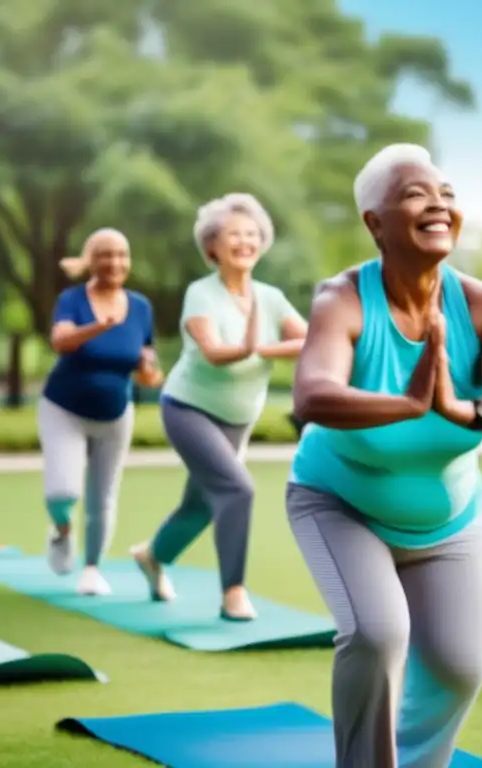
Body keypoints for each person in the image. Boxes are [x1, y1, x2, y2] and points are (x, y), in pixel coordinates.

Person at [287, 144, 482, 768]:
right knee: (377, 635)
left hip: (448, 519)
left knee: (459, 667)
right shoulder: (343, 298)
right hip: (341, 503)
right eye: (414, 194)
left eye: (447, 194)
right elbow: (313, 394)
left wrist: (468, 410)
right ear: (375, 223)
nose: (438, 204)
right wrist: (407, 402)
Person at [130, 192, 307, 621]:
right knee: (237, 489)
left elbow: (310, 340)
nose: (245, 242)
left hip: (238, 417)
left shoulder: (271, 297)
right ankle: (234, 594)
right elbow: (211, 350)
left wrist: (258, 347)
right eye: (234, 235)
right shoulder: (201, 294)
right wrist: (247, 348)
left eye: (252, 234)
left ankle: (152, 556)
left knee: (201, 505)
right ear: (213, 246)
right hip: (189, 408)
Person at [40, 228, 162, 596]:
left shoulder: (140, 307)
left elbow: (150, 371)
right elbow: (60, 341)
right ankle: (62, 530)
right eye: (106, 254)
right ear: (91, 260)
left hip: (116, 414)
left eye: (122, 254)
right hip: (64, 408)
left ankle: (92, 568)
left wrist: (148, 369)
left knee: (102, 497)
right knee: (63, 491)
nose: (115, 262)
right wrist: (98, 327)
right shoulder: (73, 299)